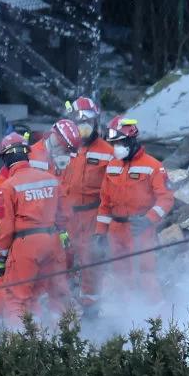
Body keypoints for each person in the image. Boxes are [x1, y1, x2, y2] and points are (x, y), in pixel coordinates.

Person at [0, 122, 71, 331]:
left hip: (26, 245)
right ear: (27, 154)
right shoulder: (51, 179)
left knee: (17, 299)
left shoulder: (8, 187)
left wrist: (0, 258)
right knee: (54, 295)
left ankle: (23, 348)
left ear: (6, 158)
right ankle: (63, 340)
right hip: (53, 242)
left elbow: (5, 229)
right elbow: (65, 214)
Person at [94, 116, 174, 305]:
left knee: (146, 275)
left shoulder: (153, 166)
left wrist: (148, 219)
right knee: (120, 276)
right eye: (113, 143)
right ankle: (128, 319)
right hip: (116, 230)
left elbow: (166, 198)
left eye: (119, 142)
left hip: (140, 229)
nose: (116, 148)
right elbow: (105, 203)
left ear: (131, 139)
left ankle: (158, 320)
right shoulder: (112, 166)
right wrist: (100, 232)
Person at [61, 97, 114, 308]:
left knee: (90, 261)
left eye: (88, 123)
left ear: (96, 123)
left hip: (92, 215)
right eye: (79, 124)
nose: (84, 129)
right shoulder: (65, 149)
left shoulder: (108, 153)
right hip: (67, 216)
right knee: (61, 259)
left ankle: (91, 309)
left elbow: (113, 190)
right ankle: (61, 305)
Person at [0, 133, 31, 335]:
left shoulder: (5, 185)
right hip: (28, 244)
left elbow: (3, 227)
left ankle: (3, 335)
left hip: (16, 245)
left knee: (12, 292)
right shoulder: (4, 185)